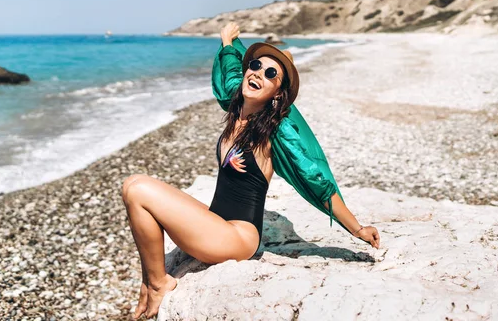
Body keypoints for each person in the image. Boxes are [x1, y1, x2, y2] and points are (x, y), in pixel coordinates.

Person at [121, 22, 380, 319]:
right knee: (135, 188)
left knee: (137, 187)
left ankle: (157, 283)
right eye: (256, 65)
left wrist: (357, 229)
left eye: (271, 74)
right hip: (215, 223)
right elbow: (230, 72)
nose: (257, 72)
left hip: (238, 238)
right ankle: (150, 281)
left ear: (277, 94)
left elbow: (315, 180)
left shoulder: (275, 133)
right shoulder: (237, 107)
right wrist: (228, 42)